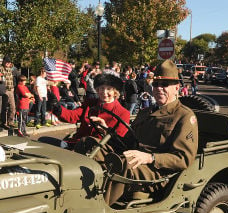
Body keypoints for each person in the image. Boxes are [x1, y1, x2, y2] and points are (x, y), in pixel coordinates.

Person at [105, 59, 198, 205]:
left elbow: (183, 158)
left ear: (176, 88)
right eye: (156, 84)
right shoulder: (145, 112)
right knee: (93, 146)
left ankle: (100, 210)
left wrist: (150, 158)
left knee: (124, 165)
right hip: (137, 161)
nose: (159, 88)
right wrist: (106, 131)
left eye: (165, 85)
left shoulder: (184, 116)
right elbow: (128, 141)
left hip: (158, 172)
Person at [50, 72, 130, 149]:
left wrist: (105, 128)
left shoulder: (123, 113)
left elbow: (119, 142)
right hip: (76, 144)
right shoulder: (90, 103)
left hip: (99, 152)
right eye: (102, 88)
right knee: (43, 141)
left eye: (109, 89)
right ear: (98, 90)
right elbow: (73, 116)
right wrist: (58, 108)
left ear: (115, 92)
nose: (104, 92)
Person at [1, 56, 18, 129]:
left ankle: (10, 121)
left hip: (11, 90)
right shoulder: (0, 69)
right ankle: (4, 123)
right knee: (4, 108)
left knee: (13, 107)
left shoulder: (11, 70)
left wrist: (13, 87)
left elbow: (13, 79)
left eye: (9, 62)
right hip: (4, 90)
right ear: (3, 61)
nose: (8, 63)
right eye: (7, 61)